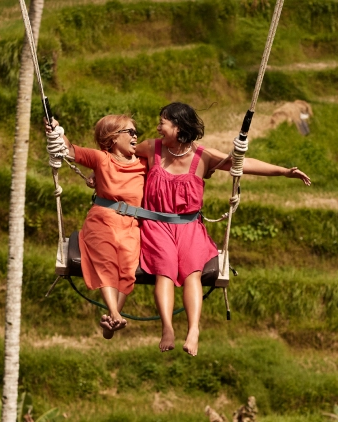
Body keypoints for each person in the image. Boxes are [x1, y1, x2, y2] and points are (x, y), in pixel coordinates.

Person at [133, 102, 311, 357]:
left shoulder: (203, 156)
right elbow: (121, 153)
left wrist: (283, 172)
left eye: (163, 122)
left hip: (189, 226)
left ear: (179, 127)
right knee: (165, 271)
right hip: (157, 226)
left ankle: (193, 330)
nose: (158, 127)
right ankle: (168, 329)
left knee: (192, 272)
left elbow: (242, 164)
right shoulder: (152, 148)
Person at [45, 115, 148, 340]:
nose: (135, 135)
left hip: (131, 225)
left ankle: (111, 321)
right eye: (129, 132)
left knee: (128, 269)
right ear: (112, 139)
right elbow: (71, 150)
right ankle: (114, 312)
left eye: (135, 131)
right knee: (107, 261)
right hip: (103, 220)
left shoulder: (143, 163)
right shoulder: (102, 159)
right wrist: (56, 130)